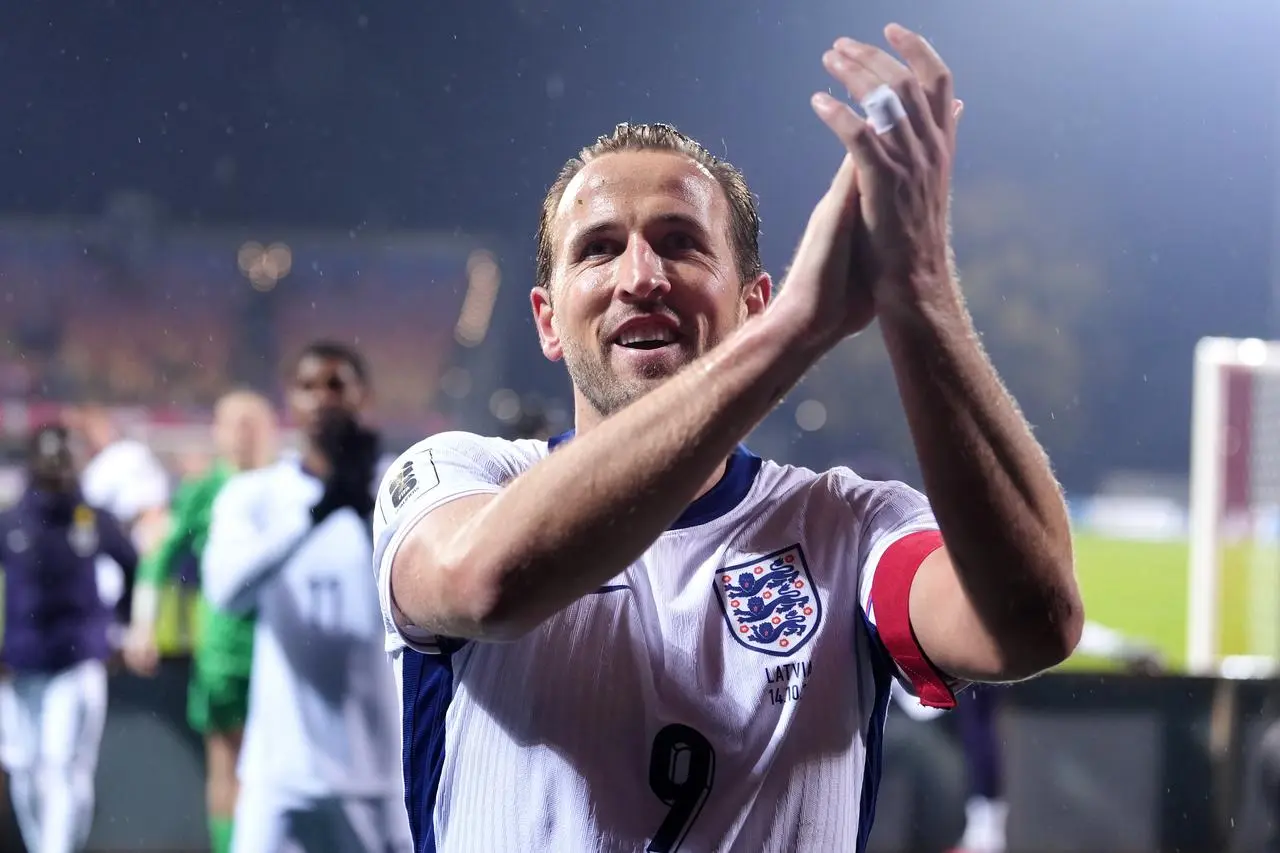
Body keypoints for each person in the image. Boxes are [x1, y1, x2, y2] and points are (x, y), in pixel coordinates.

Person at [374, 23, 1083, 853]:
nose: (641, 276)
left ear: (751, 298)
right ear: (547, 320)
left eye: (680, 242)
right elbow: (485, 582)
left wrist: (920, 285)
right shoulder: (455, 477)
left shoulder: (846, 528)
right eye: (599, 249)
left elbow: (1032, 622)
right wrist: (795, 333)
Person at [202, 342, 410, 853]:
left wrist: (360, 506)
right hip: (281, 773)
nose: (322, 399)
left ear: (365, 398)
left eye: (337, 385)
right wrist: (317, 511)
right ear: (290, 402)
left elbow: (420, 594)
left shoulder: (400, 487)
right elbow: (226, 593)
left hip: (379, 773)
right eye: (308, 387)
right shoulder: (254, 494)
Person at [122, 390, 279, 853]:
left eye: (252, 422)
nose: (243, 433)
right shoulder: (204, 491)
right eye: (234, 423)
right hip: (222, 650)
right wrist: (143, 624)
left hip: (278, 649)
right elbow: (160, 558)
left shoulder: (285, 487)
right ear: (218, 431)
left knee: (271, 764)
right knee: (226, 759)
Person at [0, 424, 139, 853]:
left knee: (62, 766)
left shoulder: (93, 519)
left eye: (63, 458)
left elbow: (133, 565)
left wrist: (119, 626)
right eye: (49, 459)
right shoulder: (10, 522)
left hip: (76, 659)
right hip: (18, 664)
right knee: (23, 767)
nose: (58, 469)